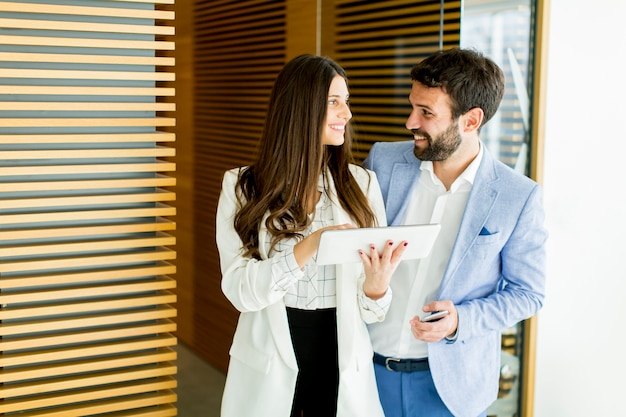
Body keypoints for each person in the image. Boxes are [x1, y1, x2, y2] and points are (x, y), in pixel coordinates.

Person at [216, 54, 407, 417]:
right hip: (271, 355)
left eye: (346, 102)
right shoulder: (242, 186)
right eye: (334, 102)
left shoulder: (362, 185)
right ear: (300, 108)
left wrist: (377, 287)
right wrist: (308, 248)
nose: (346, 114)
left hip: (339, 353)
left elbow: (373, 311)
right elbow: (241, 291)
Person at [363, 48, 548, 417]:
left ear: (471, 120)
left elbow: (528, 293)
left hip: (450, 388)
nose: (410, 121)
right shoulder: (382, 162)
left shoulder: (518, 196)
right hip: (365, 371)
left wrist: (462, 319)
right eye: (412, 106)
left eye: (426, 112)